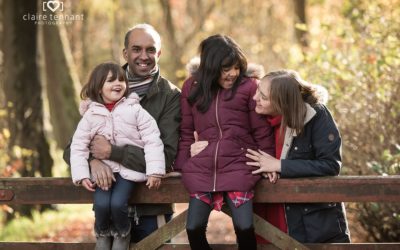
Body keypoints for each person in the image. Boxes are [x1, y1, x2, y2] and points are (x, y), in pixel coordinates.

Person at [64, 24, 181, 243]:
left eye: (150, 50)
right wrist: (93, 161)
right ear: (125, 53)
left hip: (152, 208)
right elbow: (73, 147)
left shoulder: (171, 96)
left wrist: (111, 152)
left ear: (159, 53)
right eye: (136, 49)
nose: (143, 56)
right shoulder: (104, 86)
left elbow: (165, 158)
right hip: (108, 209)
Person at [173, 34, 276, 250]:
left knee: (245, 227)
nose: (233, 74)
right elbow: (185, 130)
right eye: (226, 68)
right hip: (203, 168)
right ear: (211, 67)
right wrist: (182, 165)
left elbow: (261, 131)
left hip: (239, 166)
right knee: (193, 228)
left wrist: (269, 162)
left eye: (237, 67)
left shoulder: (249, 87)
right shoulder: (191, 87)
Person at [246, 69, 351, 243]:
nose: (255, 98)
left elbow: (330, 165)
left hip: (309, 222)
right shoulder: (254, 118)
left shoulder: (316, 116)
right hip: (264, 215)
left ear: (282, 103)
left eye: (263, 97)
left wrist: (280, 165)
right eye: (258, 90)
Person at [70, 62, 165, 249]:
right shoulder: (91, 115)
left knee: (118, 203)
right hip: (104, 172)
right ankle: (103, 233)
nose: (118, 83)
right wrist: (81, 175)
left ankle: (122, 233)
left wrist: (155, 171)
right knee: (101, 205)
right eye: (111, 80)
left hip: (127, 170)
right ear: (98, 87)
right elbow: (78, 146)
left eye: (122, 79)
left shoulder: (135, 109)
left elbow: (152, 139)